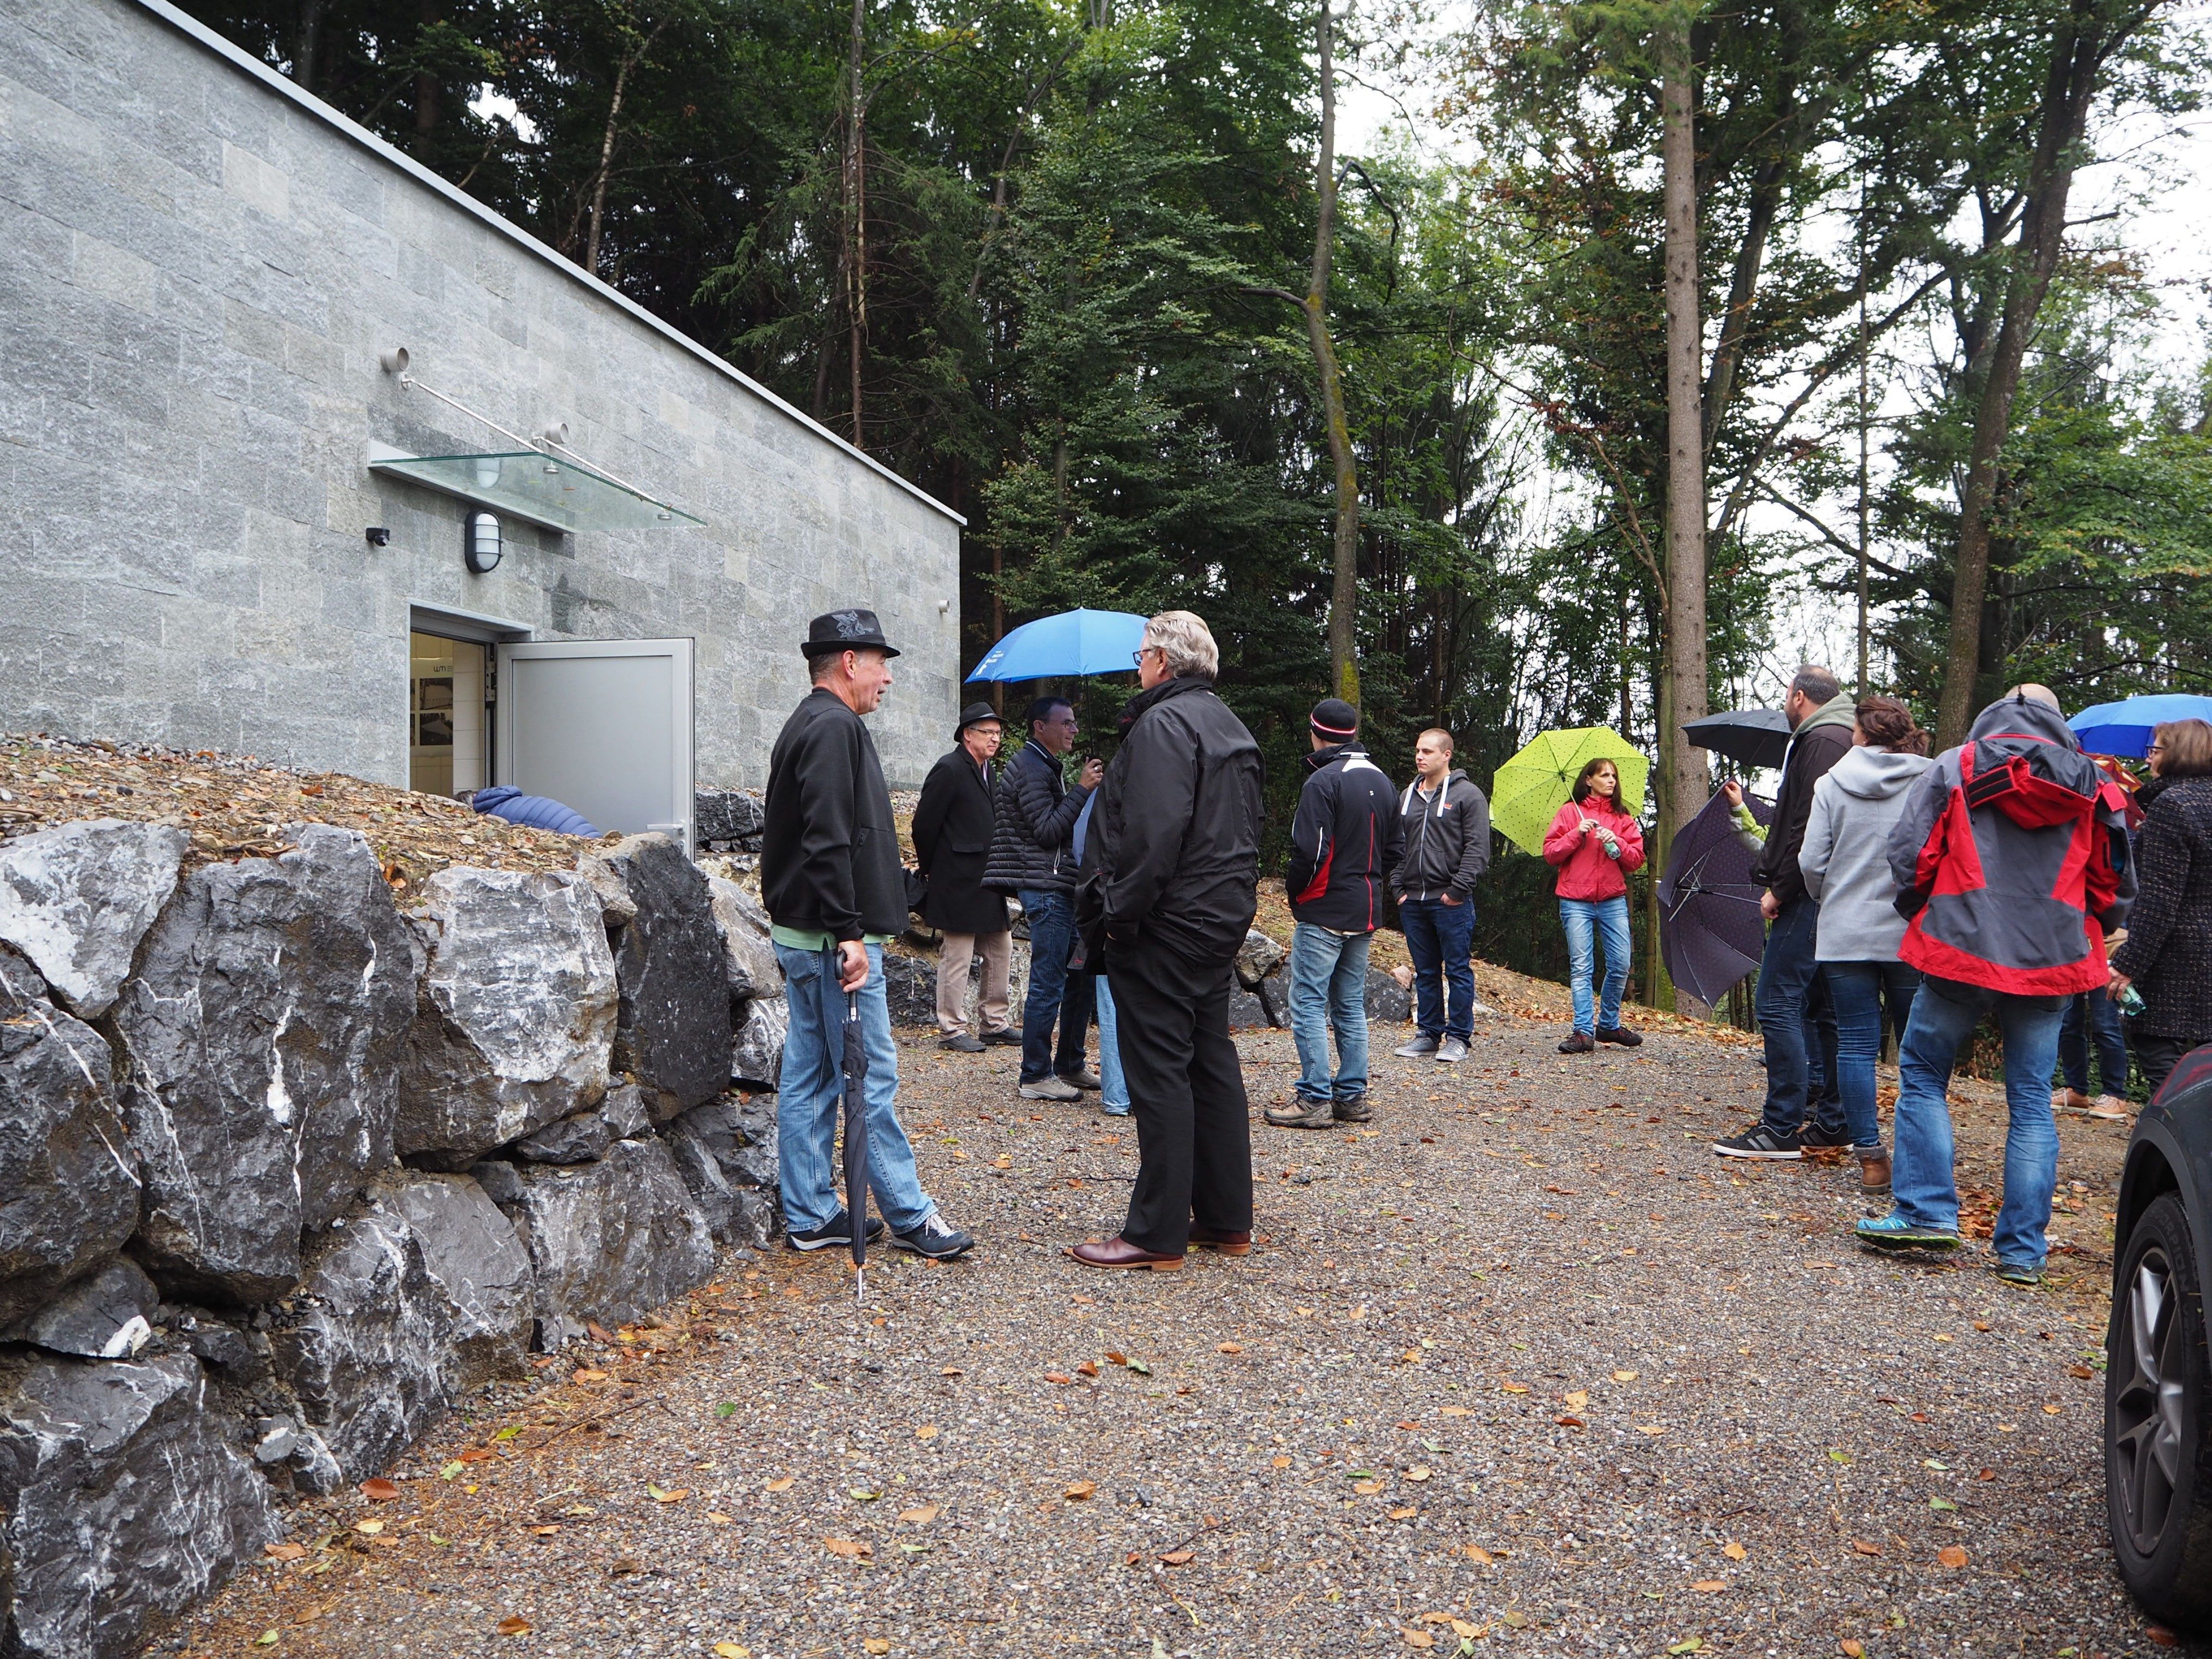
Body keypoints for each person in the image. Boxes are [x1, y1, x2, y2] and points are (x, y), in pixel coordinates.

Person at [1856, 686, 2134, 1286]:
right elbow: (2113, 878)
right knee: (2032, 1099)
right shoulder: (2096, 783)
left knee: (1925, 1076)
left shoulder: (1958, 764)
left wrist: (1928, 909)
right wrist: (2088, 925)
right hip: (2053, 955)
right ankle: (2021, 1253)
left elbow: (1908, 850)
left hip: (1962, 942)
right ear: (2058, 721)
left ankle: (1926, 1213)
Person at [760, 609, 975, 1259]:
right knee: (868, 1078)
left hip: (807, 938)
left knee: (810, 1077)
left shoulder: (813, 722)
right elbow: (826, 838)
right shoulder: (831, 727)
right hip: (832, 945)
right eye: (881, 663)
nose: (886, 678)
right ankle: (911, 1215)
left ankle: (809, 1213)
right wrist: (849, 932)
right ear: (850, 662)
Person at [1068, 611, 1264, 1269]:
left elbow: (1152, 835)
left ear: (1160, 660)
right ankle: (1225, 1218)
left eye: (1140, 652)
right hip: (1217, 918)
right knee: (1209, 1063)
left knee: (1159, 1072)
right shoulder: (1228, 724)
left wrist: (1120, 912)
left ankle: (1155, 1232)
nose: (1136, 664)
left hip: (1166, 921)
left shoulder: (1163, 725)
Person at [1714, 666, 1856, 1159]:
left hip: (1810, 894)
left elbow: (1809, 826)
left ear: (1798, 696)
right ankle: (1835, 1120)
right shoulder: (1841, 736)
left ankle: (1780, 1127)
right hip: (1833, 894)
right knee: (1825, 1009)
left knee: (1777, 1002)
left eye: (1785, 698)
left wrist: (1782, 887)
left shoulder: (1821, 741)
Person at [1795, 695, 1932, 1198]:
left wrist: (1829, 897)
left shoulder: (1831, 784)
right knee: (1918, 1049)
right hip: (1909, 932)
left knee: (1855, 1045)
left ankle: (1872, 1161)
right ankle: (1922, 1160)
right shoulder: (1929, 780)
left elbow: (1811, 861)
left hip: (1845, 932)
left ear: (1863, 733)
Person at [1267, 698, 1404, 1129]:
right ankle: (1351, 1095)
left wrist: (1298, 895)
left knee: (1307, 1001)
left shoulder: (1323, 781)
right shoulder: (1383, 781)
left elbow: (1309, 851)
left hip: (1325, 906)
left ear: (1316, 733)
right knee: (1348, 1004)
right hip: (1363, 908)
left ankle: (1313, 1097)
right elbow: (1395, 851)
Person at [983, 696, 1104, 1102]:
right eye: (1065, 723)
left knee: (1081, 976)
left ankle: (1069, 1063)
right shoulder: (1031, 768)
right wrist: (1082, 790)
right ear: (1040, 727)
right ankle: (1035, 1074)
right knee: (1049, 982)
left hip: (1057, 887)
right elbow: (1048, 831)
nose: (1073, 729)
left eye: (1074, 722)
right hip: (1046, 889)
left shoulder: (1043, 765)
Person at [2109, 718, 2212, 1097]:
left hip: (2177, 959)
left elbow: (2159, 900)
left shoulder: (2173, 805)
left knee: (2163, 1065)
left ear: (2178, 754)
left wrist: (2127, 964)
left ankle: (2176, 1153)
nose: (2149, 757)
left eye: (2155, 749)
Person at [912, 702, 1016, 1053]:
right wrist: (932, 869)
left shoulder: (987, 771)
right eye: (988, 732)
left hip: (987, 880)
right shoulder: (950, 768)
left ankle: (994, 1022)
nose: (995, 739)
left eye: (998, 734)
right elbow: (924, 825)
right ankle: (952, 1028)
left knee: (1000, 947)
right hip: (956, 880)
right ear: (967, 734)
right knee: (958, 954)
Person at [1388, 729, 1491, 1063]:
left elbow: (1478, 848)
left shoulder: (1468, 795)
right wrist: (1398, 889)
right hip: (1412, 901)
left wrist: (1457, 890)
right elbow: (1396, 846)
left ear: (1447, 755)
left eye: (1428, 751)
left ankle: (1459, 1038)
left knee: (1458, 970)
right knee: (1426, 971)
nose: (1420, 756)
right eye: (1418, 750)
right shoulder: (1406, 795)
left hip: (1451, 901)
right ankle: (1428, 1035)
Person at [1541, 757, 1646, 1053]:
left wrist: (1618, 842)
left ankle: (1609, 1026)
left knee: (1621, 964)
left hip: (1612, 900)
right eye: (1604, 775)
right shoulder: (1569, 813)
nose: (1611, 780)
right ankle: (1583, 1032)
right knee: (1582, 966)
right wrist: (1577, 834)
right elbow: (1550, 854)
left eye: (1614, 776)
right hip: (1575, 901)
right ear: (1589, 780)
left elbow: (1636, 860)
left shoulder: (1623, 818)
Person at [1071, 790, 1129, 1117]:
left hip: (1112, 902)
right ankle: (1125, 1094)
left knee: (1112, 1004)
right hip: (1133, 905)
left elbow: (1084, 852)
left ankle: (1118, 1095)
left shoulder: (1108, 791)